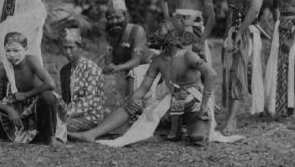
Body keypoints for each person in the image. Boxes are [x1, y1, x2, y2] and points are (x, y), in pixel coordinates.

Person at [69, 16, 216, 146]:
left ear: (172, 34)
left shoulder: (188, 55)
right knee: (133, 103)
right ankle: (91, 134)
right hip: (171, 103)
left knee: (197, 137)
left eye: (161, 29)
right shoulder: (158, 60)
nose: (157, 32)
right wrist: (132, 100)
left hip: (194, 103)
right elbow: (143, 88)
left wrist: (204, 106)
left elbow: (211, 75)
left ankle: (190, 124)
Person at [157, 0, 215, 139]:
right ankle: (175, 121)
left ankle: (203, 110)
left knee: (198, 73)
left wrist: (202, 40)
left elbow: (211, 18)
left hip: (196, 33)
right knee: (177, 74)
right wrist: (167, 19)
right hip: (178, 32)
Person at [0, 32, 67, 147]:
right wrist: (9, 110)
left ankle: (49, 137)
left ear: (25, 49)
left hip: (38, 107)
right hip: (18, 108)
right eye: (8, 51)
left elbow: (50, 84)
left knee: (48, 97)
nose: (12, 55)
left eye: (16, 51)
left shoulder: (31, 61)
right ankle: (14, 133)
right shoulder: (3, 67)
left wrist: (26, 95)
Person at [221, 0, 268, 134]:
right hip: (232, 31)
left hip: (246, 31)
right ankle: (259, 107)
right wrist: (228, 34)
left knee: (239, 73)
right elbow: (230, 10)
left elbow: (254, 10)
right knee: (231, 72)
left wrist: (239, 32)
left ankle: (232, 120)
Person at [59, 28, 110, 132]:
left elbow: (89, 101)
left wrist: (67, 113)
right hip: (70, 115)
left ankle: (80, 135)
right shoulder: (64, 71)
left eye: (71, 48)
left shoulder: (91, 68)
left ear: (80, 48)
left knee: (59, 127)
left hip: (90, 116)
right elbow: (66, 99)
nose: (68, 52)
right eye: (65, 48)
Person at [102, 0, 150, 98]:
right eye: (110, 18)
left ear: (126, 16)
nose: (114, 21)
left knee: (133, 73)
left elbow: (136, 61)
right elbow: (111, 55)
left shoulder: (137, 31)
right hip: (123, 67)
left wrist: (117, 67)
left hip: (144, 67)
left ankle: (130, 108)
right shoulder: (110, 33)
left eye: (118, 17)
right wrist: (108, 65)